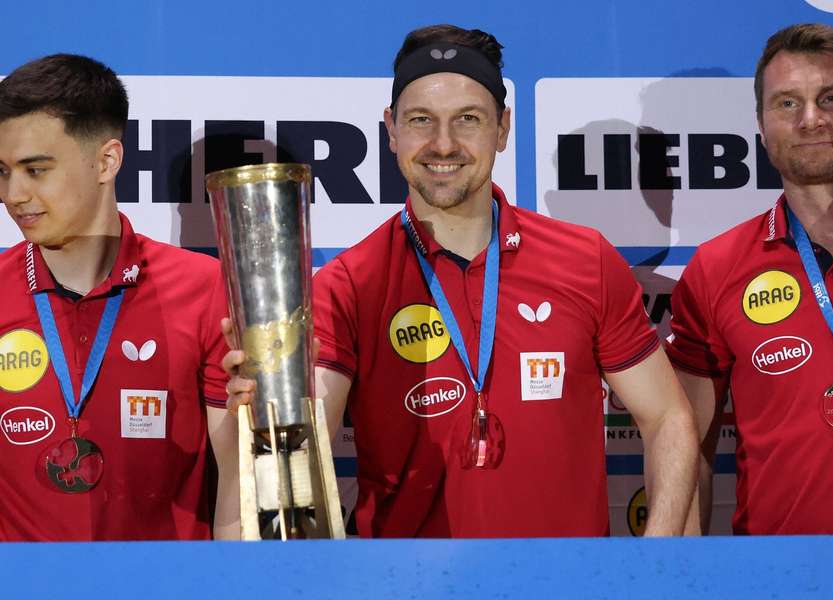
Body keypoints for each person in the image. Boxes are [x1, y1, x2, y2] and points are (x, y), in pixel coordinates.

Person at [224, 24, 698, 537]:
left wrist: (657, 561)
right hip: (407, 584)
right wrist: (270, 392)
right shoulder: (350, 283)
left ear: (502, 128)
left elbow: (668, 417)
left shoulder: (586, 260)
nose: (443, 145)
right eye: (421, 120)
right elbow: (309, 430)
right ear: (391, 129)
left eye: (467, 120)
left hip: (568, 583)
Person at [668, 23, 833, 534]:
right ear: (761, 124)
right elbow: (684, 448)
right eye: (787, 103)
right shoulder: (717, 267)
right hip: (780, 575)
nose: (810, 119)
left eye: (831, 98)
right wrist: (683, 574)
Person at [0, 54, 239, 540]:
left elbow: (238, 488)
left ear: (106, 160)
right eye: (2, 172)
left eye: (35, 170)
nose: (13, 194)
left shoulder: (205, 288)